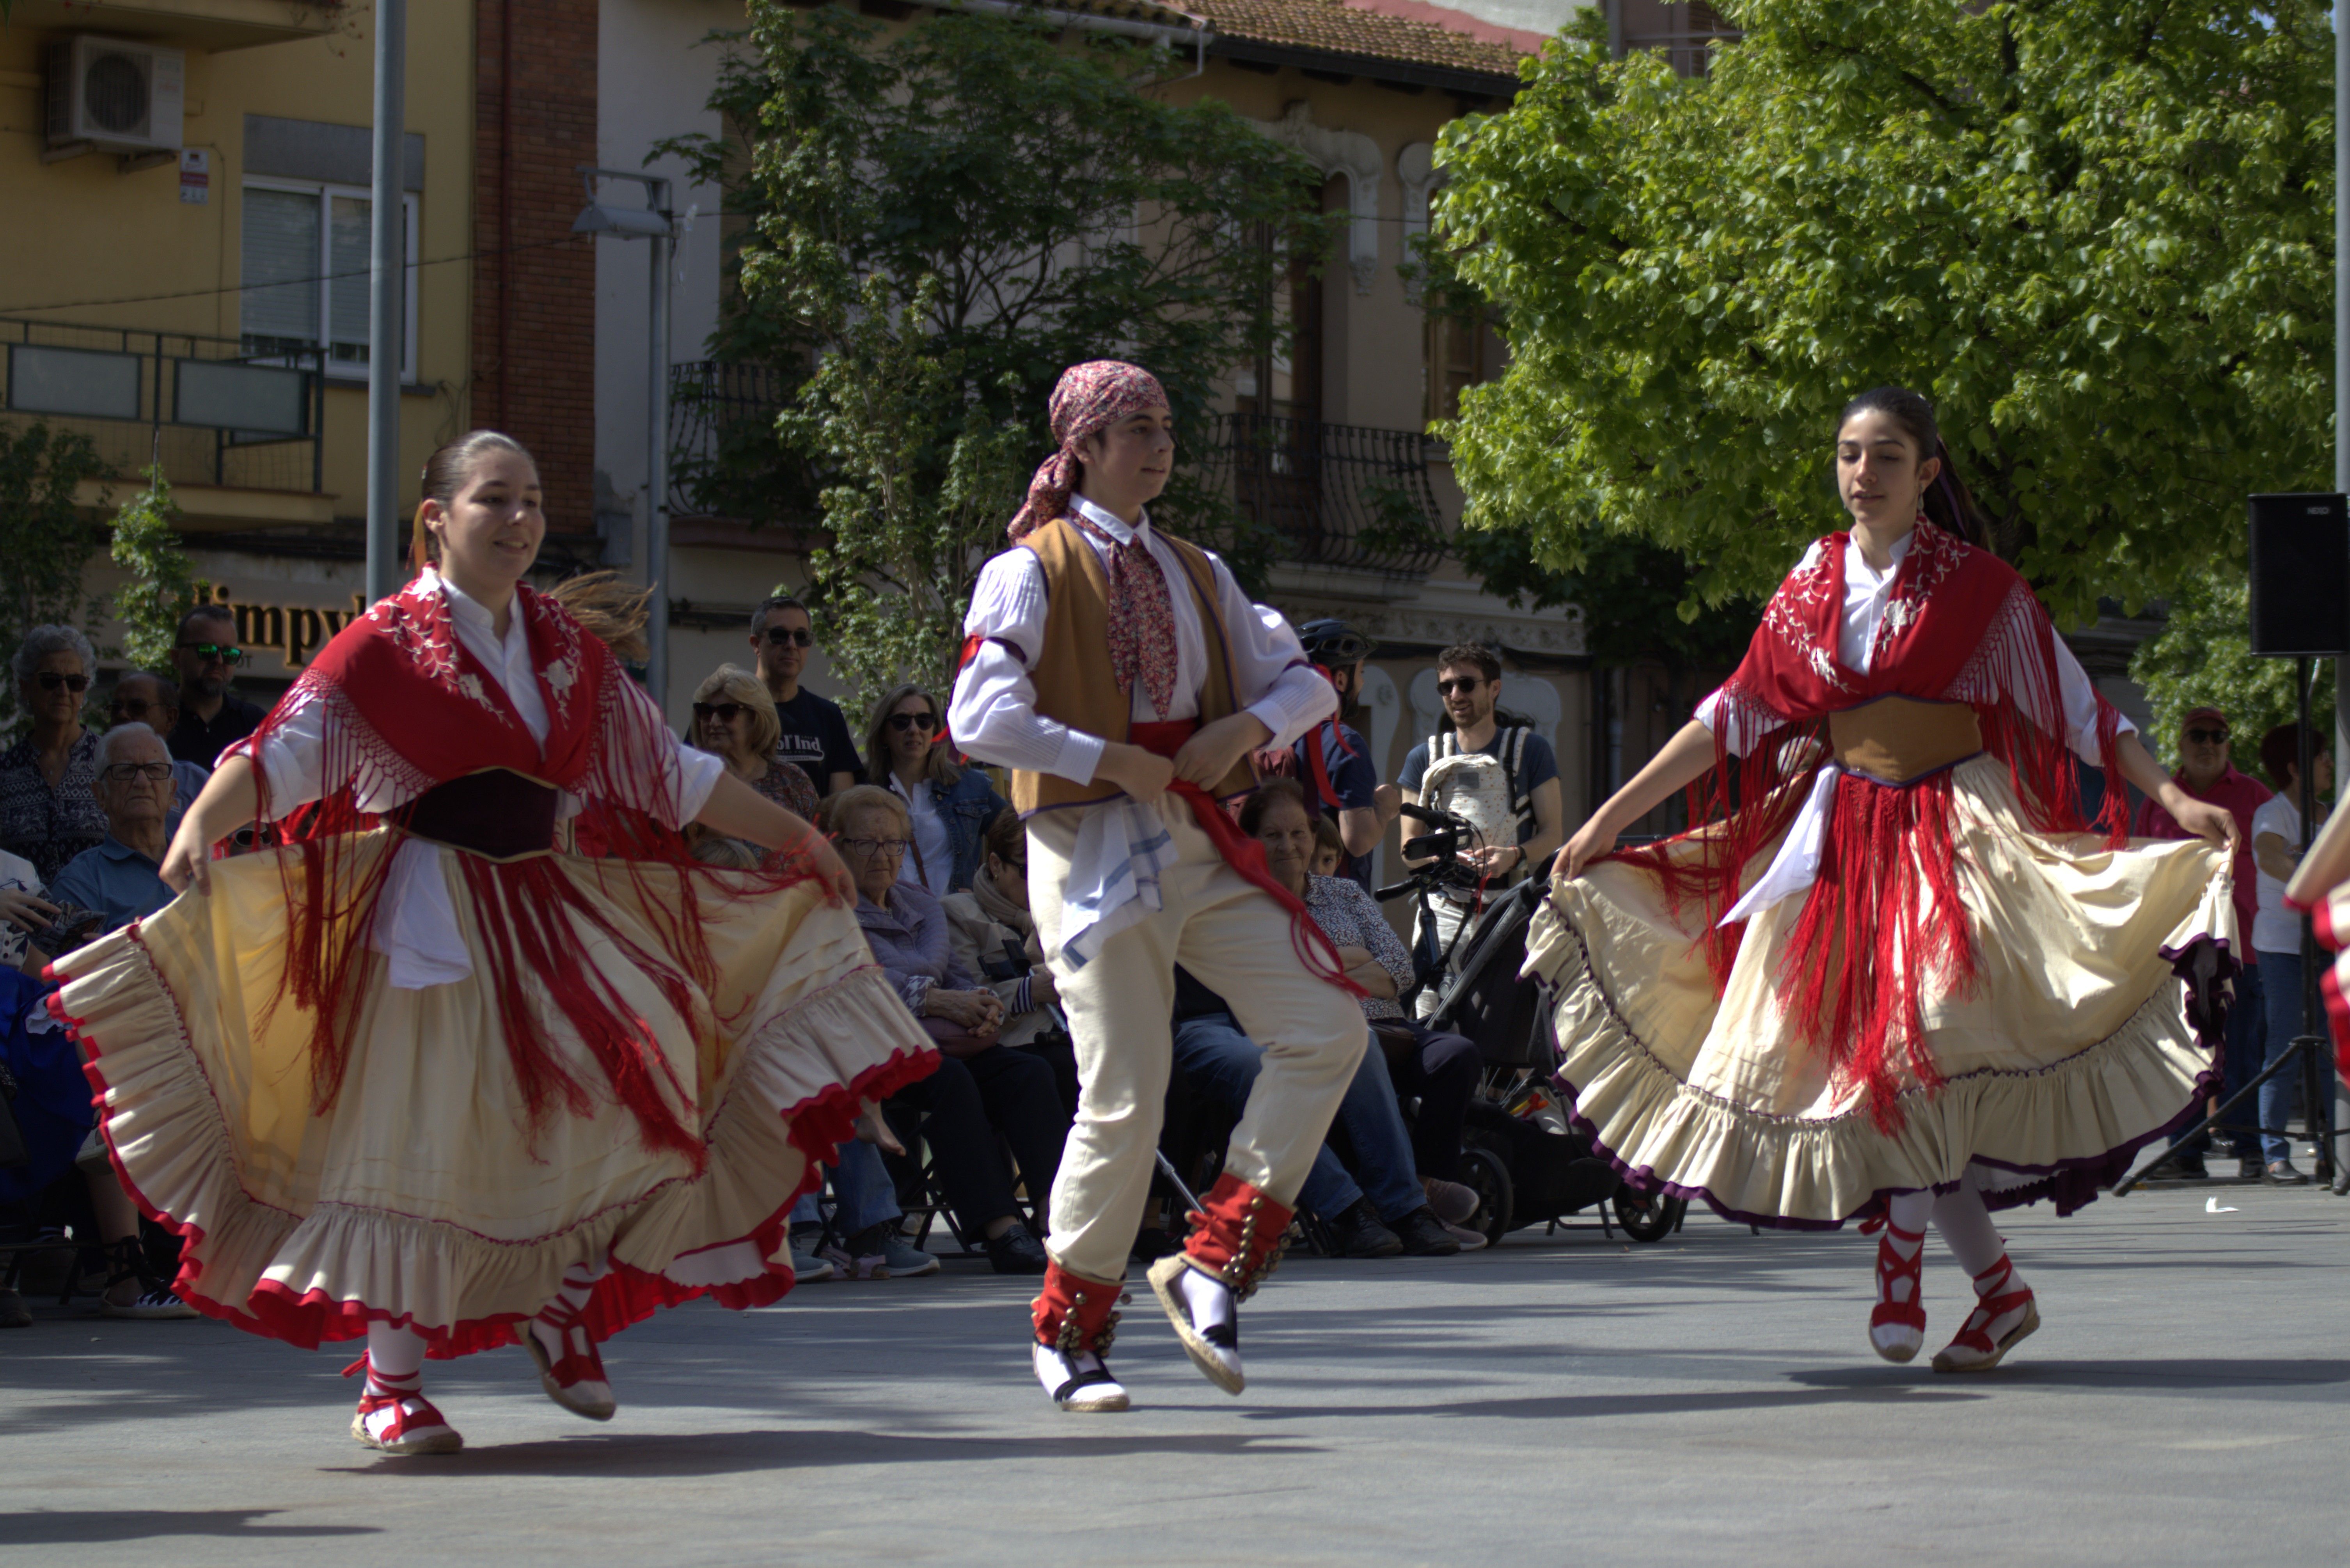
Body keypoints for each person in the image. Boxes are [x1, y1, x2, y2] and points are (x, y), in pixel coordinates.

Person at [49, 431, 937, 1456]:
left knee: (614, 1111)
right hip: (428, 917)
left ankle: (558, 1303)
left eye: (532, 502)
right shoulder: (386, 644)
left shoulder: (563, 647)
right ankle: (391, 1381)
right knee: (414, 1137)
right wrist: (206, 815)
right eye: (494, 501)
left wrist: (802, 835)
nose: (519, 520)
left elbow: (670, 771)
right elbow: (289, 750)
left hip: (550, 908)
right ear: (438, 517)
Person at [1534, 386, 2236, 1376]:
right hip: (1841, 834)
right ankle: (1999, 1294)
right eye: (1848, 455)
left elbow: (2083, 715)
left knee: (1923, 1051)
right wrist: (1610, 816)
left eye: (1886, 456)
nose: (1861, 474)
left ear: (1927, 474)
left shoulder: (1979, 588)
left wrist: (2173, 795)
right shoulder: (1811, 579)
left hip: (1953, 830)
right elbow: (1728, 715)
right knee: (1876, 1077)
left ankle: (1900, 1261)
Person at [948, 359, 1365, 1414]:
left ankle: (1214, 1258)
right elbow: (977, 716)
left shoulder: (1197, 568)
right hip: (1090, 844)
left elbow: (1308, 679)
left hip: (1193, 833)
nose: (1159, 443)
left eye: (1167, 425)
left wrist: (1247, 726)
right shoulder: (1031, 569)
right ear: (1082, 443)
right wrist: (1106, 758)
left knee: (1326, 1027)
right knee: (1126, 1086)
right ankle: (1070, 1327)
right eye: (1134, 426)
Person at [1170, 780, 1477, 1257]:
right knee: (1261, 1064)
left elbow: (1392, 970)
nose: (1288, 846)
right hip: (1207, 1019)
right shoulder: (1221, 890)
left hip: (1288, 1014)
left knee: (1358, 1038)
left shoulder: (1335, 894)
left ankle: (1405, 1206)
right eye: (1272, 836)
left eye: (1298, 833)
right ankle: (1346, 1211)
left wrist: (1320, 968)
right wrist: (1341, 963)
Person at [827, 786, 1064, 1274]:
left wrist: (981, 1006)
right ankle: (1000, 1228)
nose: (883, 855)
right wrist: (933, 998)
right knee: (950, 1078)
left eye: (894, 843)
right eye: (867, 843)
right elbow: (855, 979)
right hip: (872, 1047)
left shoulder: (920, 902)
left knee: (1028, 1073)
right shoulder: (827, 911)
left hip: (942, 1036)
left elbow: (954, 971)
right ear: (837, 847)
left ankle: (1056, 1215)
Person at [2133, 706, 2272, 1178]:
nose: (2208, 744)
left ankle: (2252, 1151)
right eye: (2198, 736)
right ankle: (2186, 1155)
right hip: (2182, 952)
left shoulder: (2255, 797)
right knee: (2183, 1052)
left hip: (2245, 945)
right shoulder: (2160, 803)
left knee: (2245, 1051)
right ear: (2182, 744)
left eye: (2217, 736)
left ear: (2228, 745)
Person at [1400, 643, 1564, 1016]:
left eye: (1466, 684)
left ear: (1494, 688)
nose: (1456, 695)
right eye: (1446, 687)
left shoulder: (1532, 751)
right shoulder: (1424, 758)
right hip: (1443, 912)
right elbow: (1409, 850)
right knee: (1431, 1027)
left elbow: (1553, 834)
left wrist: (1515, 856)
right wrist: (1444, 856)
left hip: (1509, 912)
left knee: (1503, 1031)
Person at [942, 807, 1077, 1113]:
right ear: (995, 865)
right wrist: (1031, 991)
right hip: (1018, 1044)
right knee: (1066, 1071)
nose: (1045, 882)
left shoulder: (1070, 909)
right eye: (1030, 871)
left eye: (1054, 869)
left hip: (1079, 1033)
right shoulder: (958, 912)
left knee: (1164, 1068)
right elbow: (966, 995)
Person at [2248, 723, 2334, 1185]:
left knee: (2326, 1050)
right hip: (2282, 949)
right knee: (2282, 1045)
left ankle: (2329, 1145)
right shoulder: (2273, 813)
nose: (2329, 764)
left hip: (2325, 945)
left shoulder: (2333, 814)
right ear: (2296, 768)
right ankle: (2274, 1153)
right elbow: (2268, 856)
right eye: (2321, 757)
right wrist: (2314, 874)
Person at [1290, 619, 1402, 896]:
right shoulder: (1346, 744)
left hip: (1278, 897)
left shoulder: (1278, 735)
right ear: (1341, 679)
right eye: (1361, 672)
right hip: (1332, 902)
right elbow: (1358, 839)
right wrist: (1385, 810)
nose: (1362, 682)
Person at [864, 683, 1008, 896]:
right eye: (902, 722)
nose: (914, 730)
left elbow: (1016, 836)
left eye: (924, 721)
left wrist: (988, 891)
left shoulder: (969, 785)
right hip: (889, 921)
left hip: (952, 923)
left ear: (935, 730)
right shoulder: (864, 789)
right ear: (884, 733)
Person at [2, 626, 106, 884]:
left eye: (74, 682)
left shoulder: (111, 762)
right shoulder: (6, 771)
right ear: (26, 687)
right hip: (22, 920)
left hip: (102, 918)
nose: (63, 691)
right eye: (50, 680)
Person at [747, 596, 863, 798]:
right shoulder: (727, 710)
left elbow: (842, 807)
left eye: (802, 637)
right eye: (779, 635)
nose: (791, 645)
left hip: (812, 830)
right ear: (756, 644)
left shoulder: (828, 716)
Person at [690, 663, 822, 822]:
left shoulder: (791, 781)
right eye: (706, 712)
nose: (714, 722)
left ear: (755, 718)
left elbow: (818, 842)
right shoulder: (691, 782)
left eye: (727, 712)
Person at [165, 605, 266, 766]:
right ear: (177, 658)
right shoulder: (158, 718)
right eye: (207, 651)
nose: (218, 661)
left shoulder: (255, 726)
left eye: (229, 654)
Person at [108, 673, 210, 814]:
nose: (122, 715)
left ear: (170, 718)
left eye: (137, 707)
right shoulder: (91, 774)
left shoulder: (194, 784)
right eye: (116, 708)